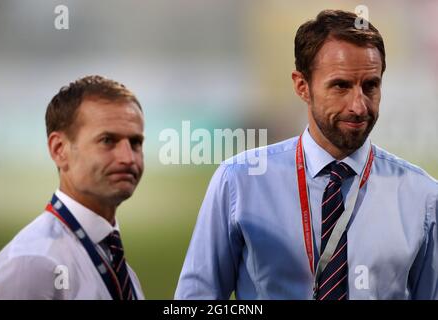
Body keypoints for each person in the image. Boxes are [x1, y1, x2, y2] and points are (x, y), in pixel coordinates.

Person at [175, 10, 438, 300]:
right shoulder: (239, 182)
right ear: (302, 86)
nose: (359, 106)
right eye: (341, 86)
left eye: (370, 86)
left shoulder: (423, 197)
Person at [0, 75, 145, 299]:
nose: (128, 158)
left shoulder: (118, 266)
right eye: (108, 140)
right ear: (59, 149)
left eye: (135, 143)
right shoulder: (31, 265)